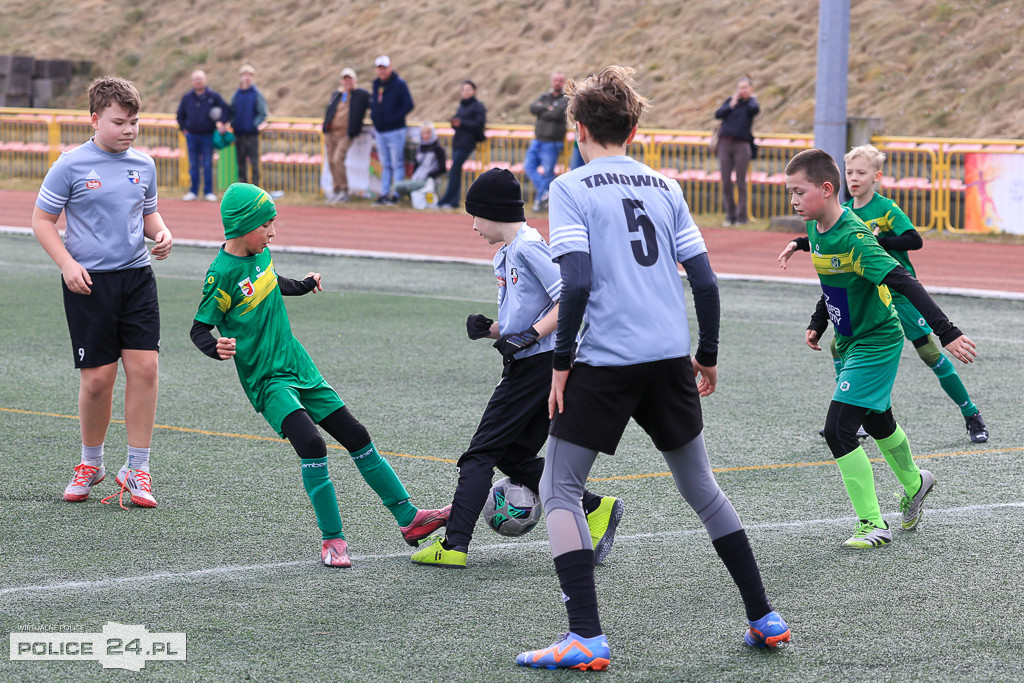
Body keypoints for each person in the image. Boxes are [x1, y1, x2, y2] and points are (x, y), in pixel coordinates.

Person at [515, 66, 790, 671]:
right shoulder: (666, 187)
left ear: (578, 129)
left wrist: (561, 364)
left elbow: (578, 280)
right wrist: (707, 354)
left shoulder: (571, 186)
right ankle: (764, 618)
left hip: (607, 362)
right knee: (702, 489)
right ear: (634, 129)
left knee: (558, 488)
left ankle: (584, 635)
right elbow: (707, 281)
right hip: (669, 358)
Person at [189, 183, 451, 567]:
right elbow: (199, 328)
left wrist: (305, 284)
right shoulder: (222, 274)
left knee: (356, 435)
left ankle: (410, 519)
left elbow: (271, 284)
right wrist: (215, 347)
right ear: (244, 226)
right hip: (268, 380)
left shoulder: (261, 254)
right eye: (267, 226)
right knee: (312, 445)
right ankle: (332, 540)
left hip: (300, 367)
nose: (273, 233)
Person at [410, 168, 623, 569]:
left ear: (492, 212)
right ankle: (594, 507)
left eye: (475, 215)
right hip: (531, 362)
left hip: (539, 366)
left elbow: (572, 298)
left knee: (479, 455)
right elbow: (528, 315)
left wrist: (530, 335)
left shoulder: (528, 246)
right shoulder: (506, 253)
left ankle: (454, 545)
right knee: (514, 455)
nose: (472, 225)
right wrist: (493, 330)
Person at [782, 148, 978, 550]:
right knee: (875, 420)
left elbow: (904, 281)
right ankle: (915, 482)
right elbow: (832, 281)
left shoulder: (856, 238)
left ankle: (872, 524)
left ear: (825, 188)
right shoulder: (819, 227)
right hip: (852, 340)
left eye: (799, 192)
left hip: (877, 341)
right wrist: (818, 322)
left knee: (839, 429)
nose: (793, 201)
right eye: (790, 193)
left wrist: (947, 331)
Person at [778, 144, 988, 444]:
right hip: (867, 292)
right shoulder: (836, 211)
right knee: (839, 347)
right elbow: (833, 256)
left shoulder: (885, 209)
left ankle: (971, 413)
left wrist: (881, 241)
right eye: (849, 171)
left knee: (929, 353)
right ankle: (854, 411)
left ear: (876, 176)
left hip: (897, 292)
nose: (854, 178)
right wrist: (800, 246)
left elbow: (913, 240)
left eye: (861, 172)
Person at [33, 76, 173, 509]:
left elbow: (148, 215)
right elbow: (42, 222)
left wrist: (162, 232)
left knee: (145, 369)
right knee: (97, 381)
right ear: (95, 120)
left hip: (136, 279)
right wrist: (67, 264)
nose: (129, 129)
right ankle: (90, 463)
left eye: (134, 122)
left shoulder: (144, 165)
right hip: (88, 282)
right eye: (119, 122)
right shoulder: (70, 164)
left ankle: (137, 467)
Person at [176, 69, 231, 201]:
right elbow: (180, 115)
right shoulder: (187, 97)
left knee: (207, 164)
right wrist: (184, 129)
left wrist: (222, 123)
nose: (198, 81)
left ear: (205, 80)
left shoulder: (214, 96)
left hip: (207, 136)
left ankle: (208, 192)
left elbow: (226, 110)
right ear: (192, 82)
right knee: (193, 164)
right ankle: (193, 191)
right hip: (192, 136)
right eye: (195, 79)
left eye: (200, 79)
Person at [370, 55, 415, 205]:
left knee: (397, 163)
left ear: (390, 68)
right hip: (380, 131)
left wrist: (394, 118)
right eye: (379, 68)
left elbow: (409, 104)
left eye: (384, 68)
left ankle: (396, 193)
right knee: (386, 163)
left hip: (396, 130)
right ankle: (384, 194)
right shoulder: (376, 85)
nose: (382, 71)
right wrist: (375, 118)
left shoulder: (399, 84)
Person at [714, 76, 759, 225]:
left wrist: (751, 98)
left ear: (750, 89)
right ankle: (730, 216)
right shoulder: (731, 101)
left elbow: (755, 110)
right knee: (726, 181)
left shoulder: (751, 103)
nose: (743, 91)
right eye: (740, 88)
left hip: (742, 144)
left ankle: (742, 217)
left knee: (741, 181)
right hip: (725, 143)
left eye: (746, 87)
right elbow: (718, 114)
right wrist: (731, 104)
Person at [322, 67, 371, 204]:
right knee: (331, 161)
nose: (348, 81)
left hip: (345, 134)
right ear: (342, 81)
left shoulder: (361, 94)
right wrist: (325, 126)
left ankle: (344, 190)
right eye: (345, 79)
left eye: (350, 78)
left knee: (338, 159)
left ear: (355, 80)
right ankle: (336, 190)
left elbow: (372, 106)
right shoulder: (337, 94)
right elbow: (330, 110)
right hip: (331, 132)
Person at [436, 80, 487, 209]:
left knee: (454, 170)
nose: (466, 91)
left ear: (474, 91)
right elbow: (459, 122)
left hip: (468, 142)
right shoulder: (462, 105)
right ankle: (453, 200)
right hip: (458, 141)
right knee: (455, 171)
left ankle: (448, 199)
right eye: (464, 89)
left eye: (469, 89)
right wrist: (454, 123)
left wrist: (461, 123)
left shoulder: (478, 106)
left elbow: (479, 124)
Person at [524, 71, 569, 212]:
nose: (558, 83)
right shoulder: (545, 96)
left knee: (548, 173)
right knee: (528, 167)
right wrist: (547, 108)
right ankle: (546, 194)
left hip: (553, 142)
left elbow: (556, 114)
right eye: (555, 80)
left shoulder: (566, 99)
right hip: (538, 139)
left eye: (561, 80)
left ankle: (540, 203)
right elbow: (532, 107)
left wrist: (542, 109)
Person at [229, 64, 269, 186]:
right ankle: (243, 189)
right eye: (245, 75)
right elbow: (231, 111)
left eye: (250, 75)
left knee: (254, 163)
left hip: (251, 134)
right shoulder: (236, 94)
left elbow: (263, 113)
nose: (247, 77)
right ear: (241, 77)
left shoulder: (257, 94)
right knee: (240, 164)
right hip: (238, 134)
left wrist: (254, 125)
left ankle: (256, 190)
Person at [393, 122, 446, 200]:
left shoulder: (437, 149)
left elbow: (442, 168)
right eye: (423, 134)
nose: (425, 136)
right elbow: (416, 165)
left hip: (429, 181)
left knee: (401, 186)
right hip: (417, 178)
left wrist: (430, 175)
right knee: (397, 186)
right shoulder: (420, 147)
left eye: (427, 133)